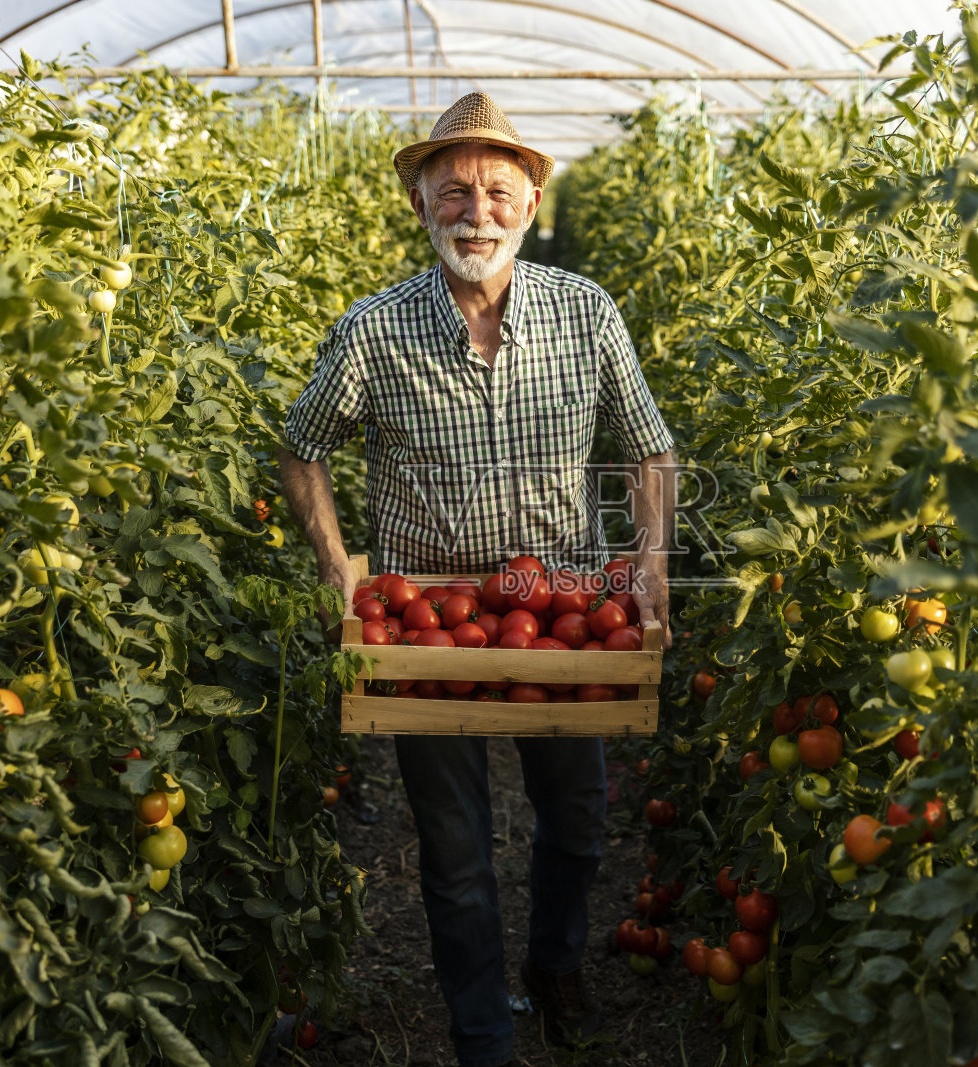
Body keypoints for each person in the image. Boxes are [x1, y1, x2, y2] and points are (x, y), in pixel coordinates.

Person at [275, 91, 676, 1067]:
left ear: (532, 203)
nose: (476, 211)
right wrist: (338, 567)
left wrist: (652, 565)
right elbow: (302, 447)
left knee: (577, 819)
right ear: (419, 206)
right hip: (428, 615)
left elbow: (651, 450)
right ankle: (480, 1027)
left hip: (564, 606)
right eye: (452, 191)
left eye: (498, 190)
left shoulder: (586, 314)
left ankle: (555, 961)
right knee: (454, 849)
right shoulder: (375, 328)